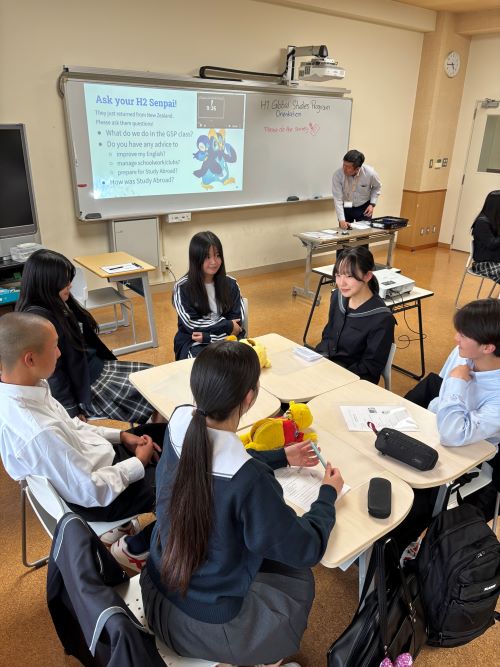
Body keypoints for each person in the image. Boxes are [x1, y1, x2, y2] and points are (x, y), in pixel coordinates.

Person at [140, 340, 344, 667]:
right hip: (201, 625)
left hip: (155, 586)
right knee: (298, 576)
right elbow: (306, 548)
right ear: (250, 397)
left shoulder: (179, 422)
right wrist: (328, 496)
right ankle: (263, 657)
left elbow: (214, 460)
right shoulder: (250, 481)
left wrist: (280, 456)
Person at [0, 312, 166, 570]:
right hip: (99, 499)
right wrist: (138, 463)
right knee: (189, 482)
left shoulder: (27, 388)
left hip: (95, 469)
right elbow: (90, 491)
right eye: (55, 346)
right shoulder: (38, 431)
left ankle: (130, 525)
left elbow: (73, 427)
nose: (59, 353)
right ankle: (137, 548)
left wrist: (121, 436)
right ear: (30, 359)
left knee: (163, 433)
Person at [393, 299, 500, 556]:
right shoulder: (464, 355)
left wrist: (456, 384)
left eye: (463, 335)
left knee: (413, 500)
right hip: (435, 434)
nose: (455, 338)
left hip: (468, 458)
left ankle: (393, 557)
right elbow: (439, 401)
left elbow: (453, 434)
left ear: (488, 347)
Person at [16, 248, 160, 423]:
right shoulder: (39, 320)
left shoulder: (57, 302)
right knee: (157, 396)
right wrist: (70, 410)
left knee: (158, 378)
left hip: (96, 369)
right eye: (64, 281)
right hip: (90, 386)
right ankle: (159, 432)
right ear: (48, 283)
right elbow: (54, 373)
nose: (69, 285)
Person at [315, 246, 396, 384]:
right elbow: (328, 336)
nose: (341, 283)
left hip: (354, 380)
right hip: (328, 368)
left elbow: (370, 367)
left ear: (367, 276)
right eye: (338, 275)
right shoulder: (337, 296)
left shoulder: (382, 319)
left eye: (349, 276)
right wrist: (319, 359)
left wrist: (336, 375)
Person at [173, 230, 245, 360]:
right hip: (193, 342)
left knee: (243, 360)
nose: (214, 262)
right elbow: (192, 325)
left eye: (217, 255)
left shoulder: (231, 284)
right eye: (207, 257)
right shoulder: (182, 287)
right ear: (196, 259)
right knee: (204, 363)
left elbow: (238, 326)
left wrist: (209, 337)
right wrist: (227, 325)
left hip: (226, 339)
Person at [331, 149, 382, 229]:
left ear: (357, 169)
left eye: (348, 167)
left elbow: (377, 187)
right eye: (344, 165)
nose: (344, 169)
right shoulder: (338, 175)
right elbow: (338, 198)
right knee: (344, 233)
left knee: (364, 233)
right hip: (347, 205)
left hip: (363, 206)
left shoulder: (370, 173)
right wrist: (341, 220)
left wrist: (372, 204)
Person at [471, 190, 500, 284]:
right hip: (483, 264)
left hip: (494, 259)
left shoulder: (495, 220)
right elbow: (492, 244)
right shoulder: (481, 223)